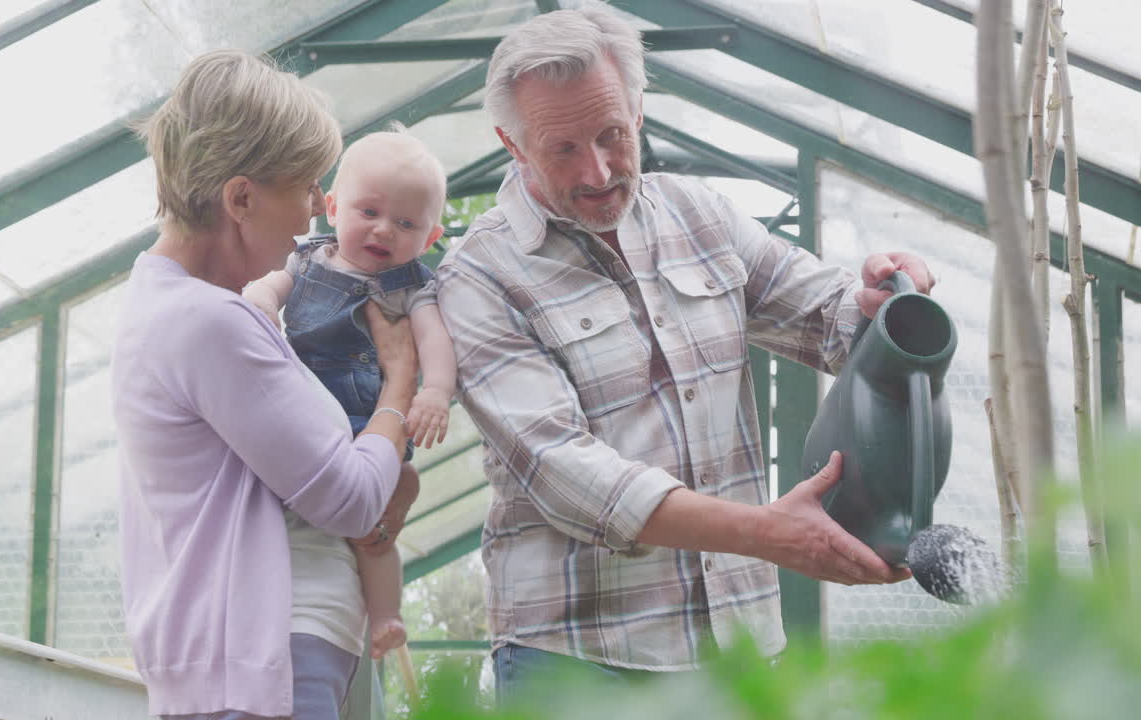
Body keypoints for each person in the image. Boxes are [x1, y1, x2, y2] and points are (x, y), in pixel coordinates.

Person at [433, 3, 929, 699]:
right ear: (513, 146)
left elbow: (825, 314)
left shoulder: (699, 213)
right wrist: (767, 533)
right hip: (578, 659)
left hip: (736, 650)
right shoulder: (481, 276)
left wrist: (878, 300)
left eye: (611, 134)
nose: (600, 170)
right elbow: (570, 477)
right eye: (563, 149)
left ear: (638, 108)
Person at [112, 50, 419, 720]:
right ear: (241, 198)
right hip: (262, 669)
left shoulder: (165, 300)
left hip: (235, 666)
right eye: (306, 187)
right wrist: (398, 387)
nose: (314, 212)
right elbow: (350, 500)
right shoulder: (209, 324)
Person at [244, 128, 456, 660]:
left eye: (406, 223)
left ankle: (385, 617)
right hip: (304, 404)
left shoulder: (413, 286)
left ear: (430, 238)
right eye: (369, 211)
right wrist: (263, 299)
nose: (384, 230)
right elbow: (271, 285)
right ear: (332, 207)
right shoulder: (308, 258)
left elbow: (434, 340)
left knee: (373, 538)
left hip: (367, 418)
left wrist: (435, 392)